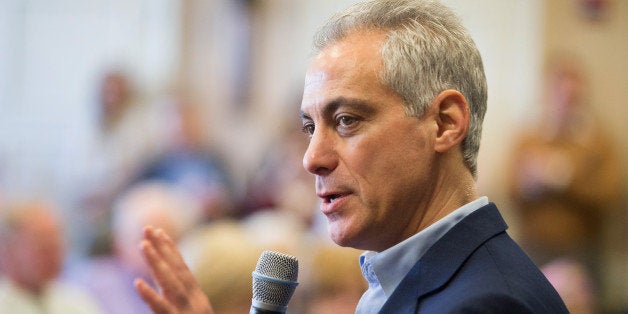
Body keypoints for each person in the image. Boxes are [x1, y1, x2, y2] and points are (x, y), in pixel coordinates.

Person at [134, 0, 569, 313]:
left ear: (443, 123)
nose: (311, 159)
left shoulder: (486, 305)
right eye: (309, 127)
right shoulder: (404, 276)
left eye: (345, 120)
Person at [0, 199, 103, 313]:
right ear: (8, 250)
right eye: (42, 246)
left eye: (56, 245)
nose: (54, 255)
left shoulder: (76, 300)